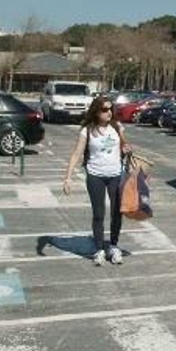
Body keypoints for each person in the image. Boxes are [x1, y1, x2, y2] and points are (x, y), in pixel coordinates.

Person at [61, 95, 132, 266]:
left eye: (111, 109)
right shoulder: (87, 130)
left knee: (117, 212)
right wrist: (68, 177)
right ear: (96, 111)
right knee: (98, 214)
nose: (109, 112)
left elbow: (124, 145)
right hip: (95, 175)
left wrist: (127, 148)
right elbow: (77, 153)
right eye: (105, 109)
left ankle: (113, 246)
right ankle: (99, 249)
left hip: (116, 174)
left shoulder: (116, 126)